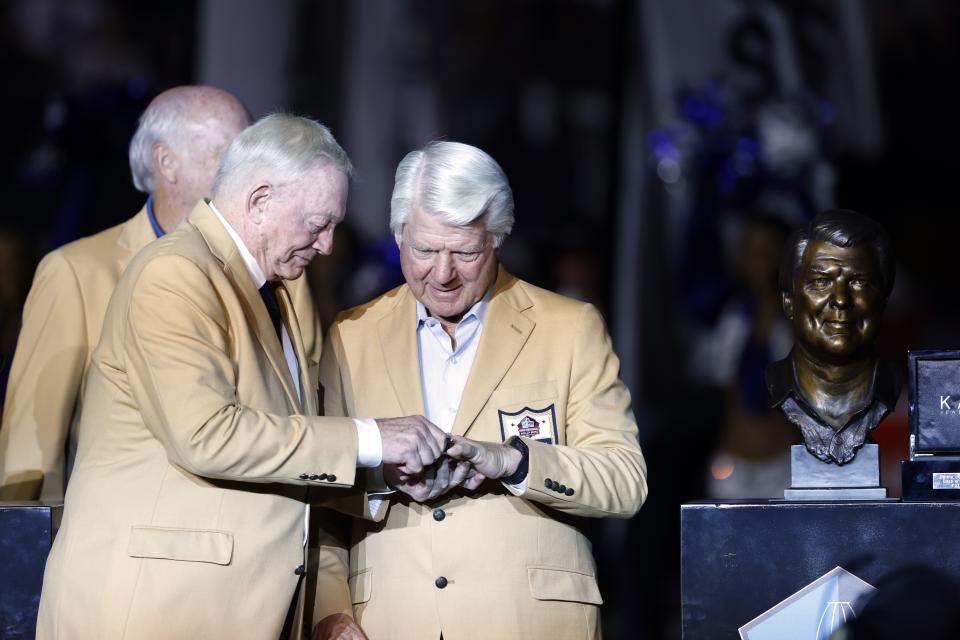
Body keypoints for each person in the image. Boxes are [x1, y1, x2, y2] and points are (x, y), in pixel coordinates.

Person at [36, 115, 449, 640]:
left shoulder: (275, 291)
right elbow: (206, 435)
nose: (326, 246)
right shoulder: (174, 274)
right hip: (151, 610)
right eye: (318, 223)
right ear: (259, 201)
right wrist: (371, 437)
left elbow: (285, 453)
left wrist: (380, 479)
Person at [319, 141, 648, 639]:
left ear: (497, 239)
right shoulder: (350, 336)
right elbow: (317, 498)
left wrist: (515, 461)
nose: (443, 273)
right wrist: (330, 613)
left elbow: (625, 482)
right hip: (388, 623)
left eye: (466, 252)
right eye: (425, 250)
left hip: (532, 624)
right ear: (398, 235)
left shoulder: (570, 328)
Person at [0, 85, 257, 501]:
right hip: (123, 550)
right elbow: (30, 451)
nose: (250, 174)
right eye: (228, 156)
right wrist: (27, 555)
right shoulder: (77, 273)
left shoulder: (275, 278)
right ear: (167, 162)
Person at [766, 209, 899, 465]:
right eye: (821, 282)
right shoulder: (775, 384)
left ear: (883, 301)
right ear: (789, 302)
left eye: (859, 282)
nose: (840, 299)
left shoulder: (900, 384)